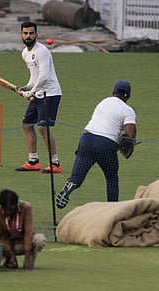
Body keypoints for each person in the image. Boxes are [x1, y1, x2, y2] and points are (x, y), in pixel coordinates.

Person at [56, 80, 137, 209]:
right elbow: (130, 132)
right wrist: (128, 140)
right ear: (128, 96)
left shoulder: (104, 102)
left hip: (86, 140)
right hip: (106, 145)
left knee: (77, 177)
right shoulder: (127, 110)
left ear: (113, 92)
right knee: (112, 179)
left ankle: (70, 185)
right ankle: (112, 209)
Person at [16, 21, 62, 174]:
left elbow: (44, 76)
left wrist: (30, 93)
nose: (28, 36)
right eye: (25, 33)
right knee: (26, 123)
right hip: (38, 93)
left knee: (43, 127)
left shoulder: (42, 51)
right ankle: (33, 161)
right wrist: (27, 87)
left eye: (31, 33)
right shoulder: (25, 53)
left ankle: (55, 163)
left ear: (36, 34)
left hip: (51, 94)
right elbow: (34, 77)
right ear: (21, 35)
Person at [0, 189, 46, 271]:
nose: (8, 212)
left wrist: (27, 254)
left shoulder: (26, 207)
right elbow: (2, 236)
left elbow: (28, 232)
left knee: (40, 239)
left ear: (16, 204)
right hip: (6, 244)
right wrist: (10, 253)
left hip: (23, 243)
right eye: (5, 209)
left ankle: (30, 262)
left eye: (10, 209)